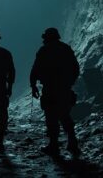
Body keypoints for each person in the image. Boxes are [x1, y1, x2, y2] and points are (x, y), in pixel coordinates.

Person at [30, 27, 80, 157]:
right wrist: (69, 83)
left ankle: (54, 145)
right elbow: (76, 68)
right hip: (64, 88)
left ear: (47, 38)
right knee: (64, 114)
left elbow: (35, 69)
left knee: (51, 116)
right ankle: (72, 141)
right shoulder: (66, 49)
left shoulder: (44, 50)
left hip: (50, 88)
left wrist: (33, 85)